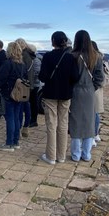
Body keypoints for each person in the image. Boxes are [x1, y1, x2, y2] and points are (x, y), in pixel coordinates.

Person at [38, 31, 79, 164]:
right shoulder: (70, 58)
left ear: (53, 41)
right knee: (63, 124)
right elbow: (75, 77)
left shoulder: (48, 57)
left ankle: (51, 156)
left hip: (50, 94)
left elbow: (42, 77)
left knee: (51, 124)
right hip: (66, 94)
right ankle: (61, 156)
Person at [69, 30, 104, 162]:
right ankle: (86, 154)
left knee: (75, 122)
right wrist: (92, 87)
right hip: (89, 92)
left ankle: (76, 154)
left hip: (75, 91)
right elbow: (100, 78)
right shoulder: (97, 57)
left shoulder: (73, 56)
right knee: (89, 122)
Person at [0, 41, 25, 151]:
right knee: (17, 117)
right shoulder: (22, 64)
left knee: (10, 118)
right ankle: (16, 141)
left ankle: (9, 143)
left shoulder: (8, 63)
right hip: (19, 94)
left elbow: (1, 79)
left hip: (8, 94)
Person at [16, 38, 39, 136]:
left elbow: (23, 70)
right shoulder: (30, 55)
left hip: (24, 84)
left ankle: (21, 128)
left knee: (22, 107)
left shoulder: (24, 56)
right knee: (28, 106)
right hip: (30, 84)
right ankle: (27, 126)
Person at [92, 41, 109, 145]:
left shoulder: (95, 59)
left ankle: (93, 135)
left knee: (92, 113)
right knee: (96, 113)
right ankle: (96, 134)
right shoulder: (103, 60)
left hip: (94, 89)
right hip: (99, 89)